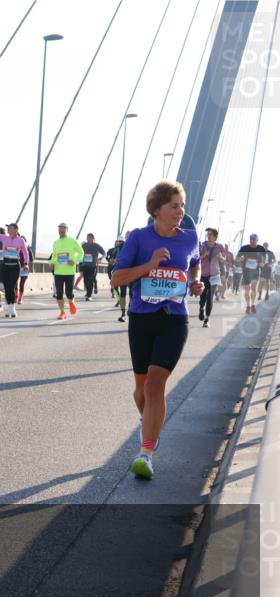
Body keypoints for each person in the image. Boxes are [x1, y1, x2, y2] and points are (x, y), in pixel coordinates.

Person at [112, 180, 201, 480]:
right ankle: (149, 424)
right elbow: (117, 279)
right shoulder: (139, 238)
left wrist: (197, 281)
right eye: (174, 206)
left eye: (182, 206)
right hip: (141, 319)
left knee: (154, 385)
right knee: (141, 390)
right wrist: (149, 265)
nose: (181, 211)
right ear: (157, 209)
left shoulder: (189, 239)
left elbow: (195, 265)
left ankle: (146, 452)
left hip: (175, 319)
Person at [50, 222, 83, 320]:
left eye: (63, 229)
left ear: (67, 230)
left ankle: (72, 302)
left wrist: (75, 261)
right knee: (58, 294)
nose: (61, 230)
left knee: (69, 293)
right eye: (60, 229)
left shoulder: (72, 241)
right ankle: (62, 312)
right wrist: (52, 262)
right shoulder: (55, 242)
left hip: (69, 272)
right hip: (58, 272)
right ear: (58, 230)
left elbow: (81, 252)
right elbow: (54, 255)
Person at [198, 228, 224, 328]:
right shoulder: (202, 246)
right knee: (203, 297)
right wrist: (204, 255)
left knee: (210, 297)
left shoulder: (220, 247)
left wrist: (221, 258)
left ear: (215, 237)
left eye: (211, 234)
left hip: (214, 275)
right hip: (204, 275)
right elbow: (197, 259)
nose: (208, 236)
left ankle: (207, 319)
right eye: (208, 234)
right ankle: (201, 308)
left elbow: (224, 259)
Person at [236, 233, 266, 314]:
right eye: (251, 239)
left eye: (254, 240)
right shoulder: (244, 248)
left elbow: (264, 259)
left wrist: (262, 263)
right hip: (246, 271)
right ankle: (248, 306)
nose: (252, 241)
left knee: (253, 288)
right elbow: (237, 258)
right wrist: (240, 258)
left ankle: (252, 305)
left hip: (256, 271)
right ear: (249, 240)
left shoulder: (261, 249)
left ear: (257, 240)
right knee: (247, 289)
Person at [107, 235, 128, 322]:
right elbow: (108, 258)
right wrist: (112, 261)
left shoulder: (128, 249)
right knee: (115, 288)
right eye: (118, 241)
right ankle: (122, 310)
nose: (119, 243)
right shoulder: (114, 250)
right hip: (116, 272)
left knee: (126, 293)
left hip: (126, 273)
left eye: (121, 242)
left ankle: (124, 313)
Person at [80, 233, 105, 301]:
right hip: (84, 265)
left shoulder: (97, 246)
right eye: (87, 239)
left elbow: (104, 254)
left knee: (90, 280)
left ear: (93, 239)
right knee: (85, 280)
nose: (88, 240)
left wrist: (100, 259)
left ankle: (89, 295)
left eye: (89, 239)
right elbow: (79, 252)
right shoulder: (84, 245)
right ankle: (88, 292)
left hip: (93, 266)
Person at [18, 235, 33, 303]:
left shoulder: (28, 248)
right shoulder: (17, 247)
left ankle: (20, 299)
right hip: (16, 267)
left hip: (25, 268)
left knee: (21, 284)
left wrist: (26, 263)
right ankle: (16, 296)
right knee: (15, 283)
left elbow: (32, 259)